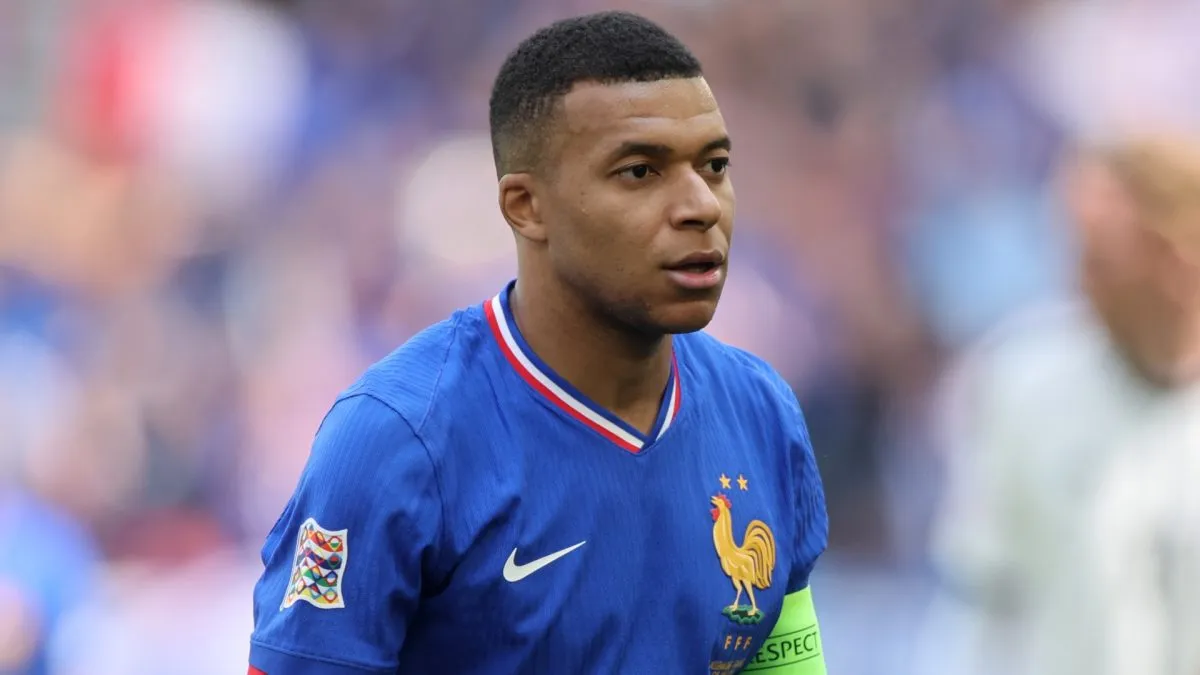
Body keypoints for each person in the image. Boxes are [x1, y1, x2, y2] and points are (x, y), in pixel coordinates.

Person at [247, 11, 829, 675]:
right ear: (526, 206)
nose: (701, 205)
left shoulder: (761, 412)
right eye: (640, 171)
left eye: (715, 165)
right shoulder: (397, 438)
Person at [917, 136, 1200, 675]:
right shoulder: (1024, 384)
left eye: (1104, 259)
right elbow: (981, 598)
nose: (1081, 282)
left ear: (1178, 257)